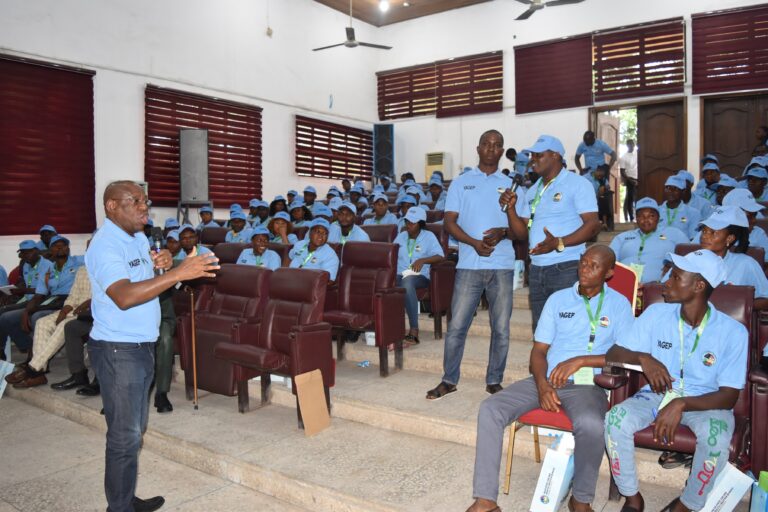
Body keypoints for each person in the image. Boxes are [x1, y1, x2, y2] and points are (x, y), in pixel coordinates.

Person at [86, 180, 219, 512]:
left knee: (133, 431)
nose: (144, 207)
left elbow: (145, 284)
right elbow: (124, 296)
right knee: (124, 437)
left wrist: (160, 264)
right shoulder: (105, 246)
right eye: (135, 201)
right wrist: (177, 274)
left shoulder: (138, 237)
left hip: (140, 345)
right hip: (120, 350)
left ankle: (125, 499)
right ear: (112, 206)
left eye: (145, 201)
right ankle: (118, 508)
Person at [467, 246, 633, 512]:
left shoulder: (619, 305)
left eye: (594, 266)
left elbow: (625, 354)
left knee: (591, 424)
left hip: (588, 385)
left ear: (609, 272)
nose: (585, 269)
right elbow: (539, 351)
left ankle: (580, 499)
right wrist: (542, 385)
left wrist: (581, 360)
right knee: (491, 408)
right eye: (583, 263)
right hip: (547, 379)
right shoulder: (558, 300)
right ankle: (486, 499)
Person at [604, 249, 747, 512]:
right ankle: (632, 497)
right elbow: (614, 354)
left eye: (676, 276)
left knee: (715, 439)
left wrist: (681, 404)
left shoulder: (733, 332)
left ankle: (687, 504)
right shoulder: (657, 313)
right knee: (615, 419)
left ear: (699, 285)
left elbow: (729, 395)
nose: (666, 282)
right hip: (657, 394)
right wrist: (644, 358)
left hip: (706, 401)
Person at [426, 129, 518, 400]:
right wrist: (474, 243)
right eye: (487, 144)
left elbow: (521, 233)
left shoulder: (512, 186)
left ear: (502, 151)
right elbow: (449, 222)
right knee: (456, 327)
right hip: (469, 264)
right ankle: (449, 379)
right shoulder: (461, 183)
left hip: (502, 265)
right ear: (478, 149)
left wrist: (503, 232)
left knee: (501, 328)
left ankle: (494, 380)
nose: (491, 148)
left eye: (497, 145)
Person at [502, 134, 600, 331]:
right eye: (532, 155)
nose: (533, 160)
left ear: (555, 156)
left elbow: (592, 225)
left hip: (566, 268)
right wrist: (511, 209)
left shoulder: (577, 184)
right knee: (542, 331)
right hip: (537, 270)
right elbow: (522, 234)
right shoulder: (532, 191)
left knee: (569, 329)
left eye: (539, 155)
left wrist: (559, 242)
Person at [9, 261, 91, 389]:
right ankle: (39, 373)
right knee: (42, 323)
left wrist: (88, 303)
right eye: (88, 249)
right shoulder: (82, 269)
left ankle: (34, 369)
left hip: (90, 314)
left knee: (64, 326)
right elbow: (73, 295)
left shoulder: (108, 268)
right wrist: (65, 309)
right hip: (72, 310)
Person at [0, 235, 84, 360]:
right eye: (56, 245)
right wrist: (26, 311)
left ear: (68, 248)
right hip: (51, 300)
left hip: (72, 300)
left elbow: (97, 255)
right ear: (51, 250)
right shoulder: (49, 268)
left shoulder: (78, 261)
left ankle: (36, 359)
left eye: (63, 245)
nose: (60, 247)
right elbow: (40, 293)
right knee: (6, 317)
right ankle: (28, 347)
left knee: (36, 317)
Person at [696, 206, 768, 309]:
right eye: (704, 231)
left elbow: (765, 299)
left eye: (713, 232)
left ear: (729, 238)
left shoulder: (745, 264)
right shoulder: (689, 260)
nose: (704, 236)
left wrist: (736, 304)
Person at [393, 207, 444, 346]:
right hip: (399, 274)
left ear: (421, 224)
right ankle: (388, 330)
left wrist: (423, 260)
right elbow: (390, 254)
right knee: (384, 281)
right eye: (407, 221)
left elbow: (440, 256)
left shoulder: (429, 236)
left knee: (407, 282)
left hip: (419, 277)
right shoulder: (401, 236)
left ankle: (414, 331)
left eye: (413, 223)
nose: (409, 225)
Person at [610, 198, 689, 283]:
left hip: (659, 287)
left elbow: (689, 256)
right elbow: (609, 261)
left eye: (651, 216)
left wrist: (673, 265)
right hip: (625, 285)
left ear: (658, 218)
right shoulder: (622, 238)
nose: (646, 219)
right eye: (641, 216)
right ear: (636, 218)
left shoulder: (674, 233)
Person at [722, 188, 768, 261]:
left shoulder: (758, 233)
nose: (754, 220)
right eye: (748, 216)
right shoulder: (710, 233)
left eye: (755, 215)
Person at [620, 139, 638, 223]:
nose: (632, 146)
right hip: (630, 180)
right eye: (630, 144)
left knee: (638, 199)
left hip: (639, 179)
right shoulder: (624, 157)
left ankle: (638, 216)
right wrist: (630, 181)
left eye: (633, 144)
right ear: (627, 145)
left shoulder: (638, 154)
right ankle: (631, 218)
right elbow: (622, 172)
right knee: (630, 199)